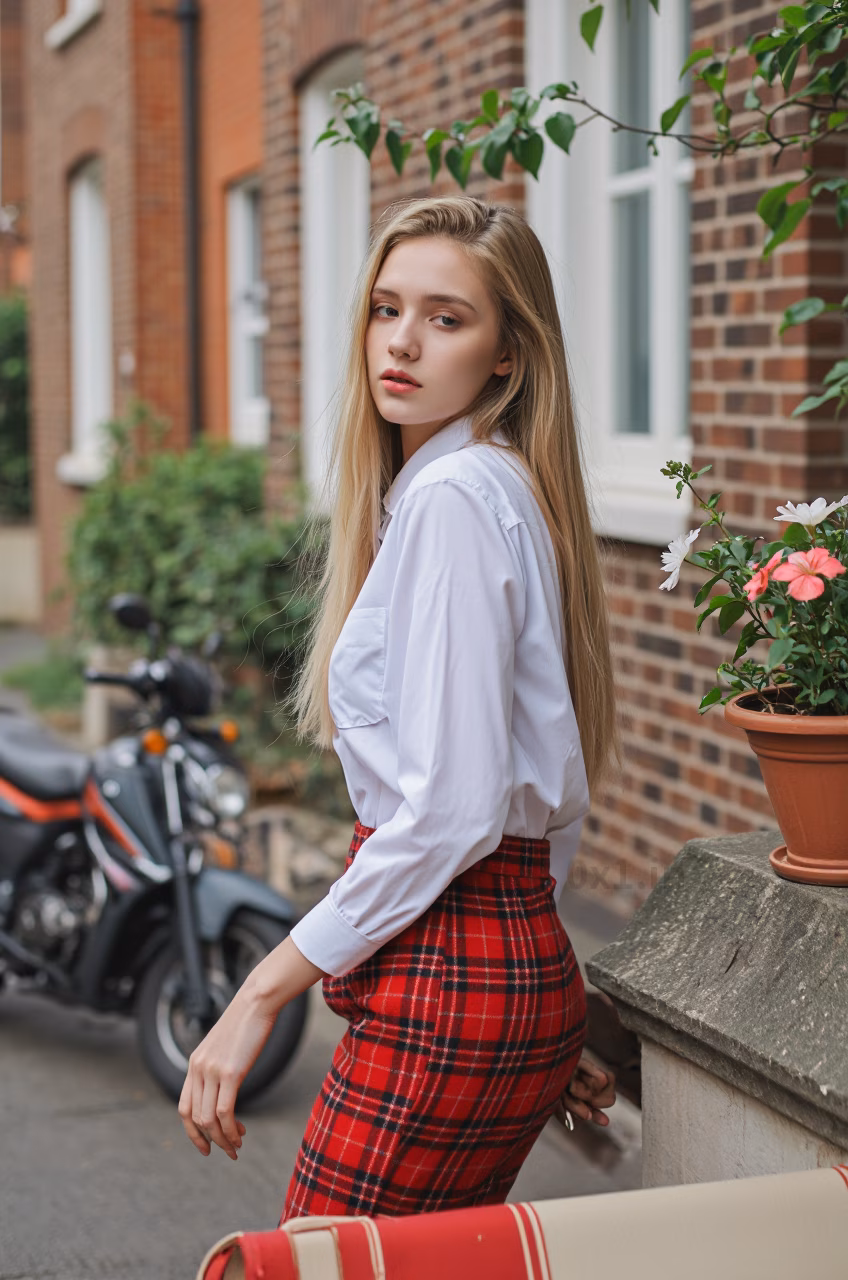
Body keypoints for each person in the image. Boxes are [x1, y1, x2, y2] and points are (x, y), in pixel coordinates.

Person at [178, 195, 621, 1218]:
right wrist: (531, 983)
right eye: (385, 308)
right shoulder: (494, 485)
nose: (402, 342)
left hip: (448, 982)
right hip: (497, 967)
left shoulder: (455, 497)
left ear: (507, 354)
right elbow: (541, 797)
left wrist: (258, 992)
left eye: (446, 317)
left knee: (323, 1252)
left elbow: (454, 810)